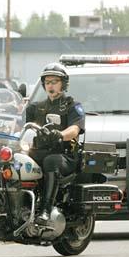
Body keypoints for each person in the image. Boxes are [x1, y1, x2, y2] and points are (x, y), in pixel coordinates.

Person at [24, 62, 85, 224]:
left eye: (54, 82)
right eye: (47, 82)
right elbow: (21, 128)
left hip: (64, 155)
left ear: (63, 84)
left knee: (50, 161)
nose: (50, 85)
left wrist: (60, 134)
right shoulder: (35, 108)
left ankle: (45, 210)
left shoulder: (72, 106)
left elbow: (74, 129)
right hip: (39, 151)